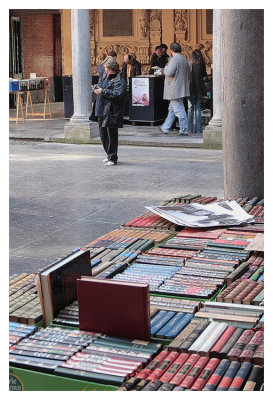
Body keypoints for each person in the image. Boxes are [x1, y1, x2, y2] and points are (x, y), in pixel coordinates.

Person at [94, 58, 126, 166]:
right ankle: (108, 154)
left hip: (111, 111)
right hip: (101, 108)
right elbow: (101, 85)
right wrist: (96, 88)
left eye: (107, 70)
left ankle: (113, 157)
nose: (106, 72)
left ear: (113, 70)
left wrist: (103, 91)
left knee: (111, 135)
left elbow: (118, 95)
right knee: (103, 135)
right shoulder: (105, 76)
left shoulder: (120, 81)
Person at [160, 42, 190, 136]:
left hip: (174, 88)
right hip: (181, 87)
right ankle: (165, 127)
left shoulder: (174, 60)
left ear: (172, 50)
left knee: (179, 109)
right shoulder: (184, 59)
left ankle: (184, 130)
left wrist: (164, 69)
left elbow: (169, 72)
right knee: (172, 109)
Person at [188, 49, 207, 133]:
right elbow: (204, 75)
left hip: (190, 88)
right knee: (198, 108)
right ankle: (198, 129)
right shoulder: (202, 64)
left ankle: (190, 129)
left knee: (190, 108)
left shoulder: (189, 64)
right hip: (199, 88)